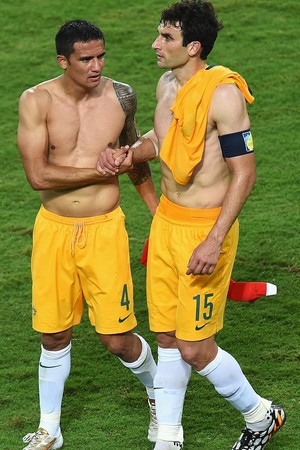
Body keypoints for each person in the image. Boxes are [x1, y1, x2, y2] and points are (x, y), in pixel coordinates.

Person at [97, 1, 286, 449]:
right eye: (159, 35)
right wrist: (128, 155)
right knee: (166, 336)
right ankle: (169, 439)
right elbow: (161, 141)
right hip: (166, 223)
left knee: (196, 348)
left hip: (205, 232)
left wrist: (214, 240)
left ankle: (260, 416)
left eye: (167, 38)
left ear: (194, 46)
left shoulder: (224, 94)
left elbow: (245, 172)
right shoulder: (166, 84)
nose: (155, 44)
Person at [17, 19, 159, 450]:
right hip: (54, 232)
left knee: (115, 338)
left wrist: (158, 214)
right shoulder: (36, 101)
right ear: (63, 60)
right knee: (53, 333)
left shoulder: (122, 96)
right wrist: (97, 169)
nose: (96, 65)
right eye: (85, 59)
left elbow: (134, 159)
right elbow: (38, 176)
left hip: (104, 231)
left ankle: (159, 393)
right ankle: (49, 430)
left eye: (100, 56)